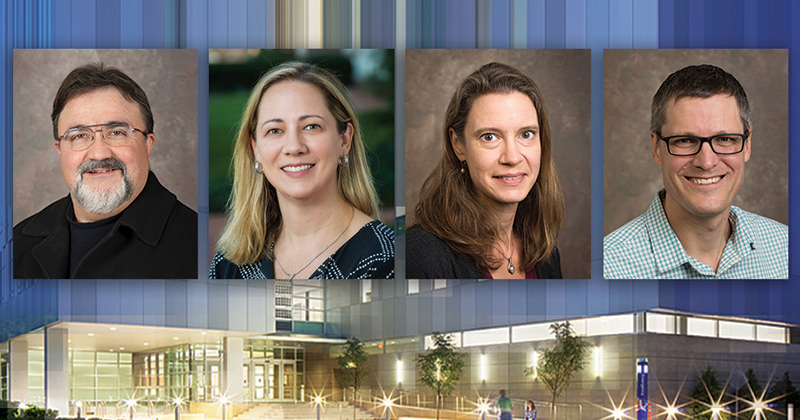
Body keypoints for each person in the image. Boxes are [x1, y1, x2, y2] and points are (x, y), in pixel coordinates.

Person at [209, 61, 394, 279]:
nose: (294, 147)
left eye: (311, 127)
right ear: (256, 148)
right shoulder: (229, 262)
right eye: (275, 130)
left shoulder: (385, 261)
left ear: (344, 139)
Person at [13, 63, 197, 279]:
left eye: (117, 132)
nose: (99, 153)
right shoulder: (15, 244)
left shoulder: (195, 242)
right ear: (60, 149)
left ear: (148, 144)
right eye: (79, 136)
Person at [604, 64, 788, 279]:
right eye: (685, 141)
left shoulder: (786, 249)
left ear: (747, 145)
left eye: (725, 139)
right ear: (656, 148)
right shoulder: (610, 266)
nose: (707, 162)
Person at [406, 62, 564, 279]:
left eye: (526, 134)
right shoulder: (420, 255)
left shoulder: (546, 252)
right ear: (458, 145)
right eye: (489, 136)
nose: (512, 157)